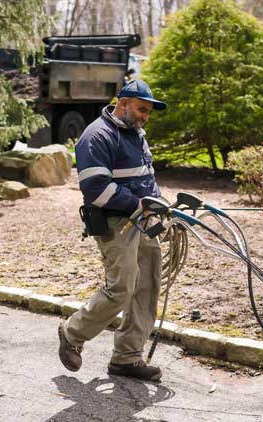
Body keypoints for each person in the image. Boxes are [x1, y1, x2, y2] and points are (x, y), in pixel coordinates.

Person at [58, 79, 167, 382]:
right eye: (141, 109)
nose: (145, 116)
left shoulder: (136, 135)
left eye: (148, 112)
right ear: (123, 103)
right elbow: (94, 187)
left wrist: (160, 204)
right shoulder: (98, 135)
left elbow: (147, 177)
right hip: (115, 223)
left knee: (147, 287)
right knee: (122, 288)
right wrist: (137, 204)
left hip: (142, 220)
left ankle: (127, 358)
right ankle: (71, 332)